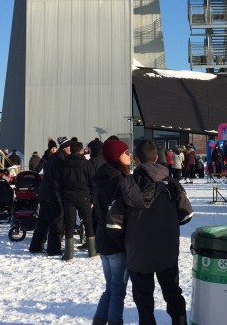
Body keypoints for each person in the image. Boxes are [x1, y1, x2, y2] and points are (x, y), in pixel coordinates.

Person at [107, 139, 193, 325]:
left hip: (138, 252)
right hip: (166, 251)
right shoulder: (171, 184)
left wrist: (127, 240)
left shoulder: (126, 185)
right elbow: (187, 215)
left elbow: (113, 225)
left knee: (144, 301)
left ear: (136, 159)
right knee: (173, 295)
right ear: (156, 158)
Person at [92, 137, 131, 325]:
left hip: (103, 238)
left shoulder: (102, 176)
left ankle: (99, 321)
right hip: (115, 240)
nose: (129, 154)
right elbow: (122, 213)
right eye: (125, 152)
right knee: (117, 290)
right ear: (116, 156)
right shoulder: (118, 180)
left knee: (111, 287)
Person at [53, 141, 96, 260]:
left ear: (70, 150)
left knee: (70, 224)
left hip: (68, 197)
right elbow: (93, 182)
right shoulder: (87, 164)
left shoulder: (64, 164)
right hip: (85, 197)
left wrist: (62, 196)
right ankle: (92, 251)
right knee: (88, 222)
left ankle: (68, 254)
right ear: (81, 150)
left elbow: (58, 183)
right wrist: (92, 198)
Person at [28, 136, 69, 255]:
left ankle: (35, 246)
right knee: (56, 222)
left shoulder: (52, 158)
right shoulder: (61, 159)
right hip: (53, 195)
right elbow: (60, 179)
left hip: (44, 193)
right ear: (65, 147)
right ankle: (53, 249)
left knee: (43, 222)